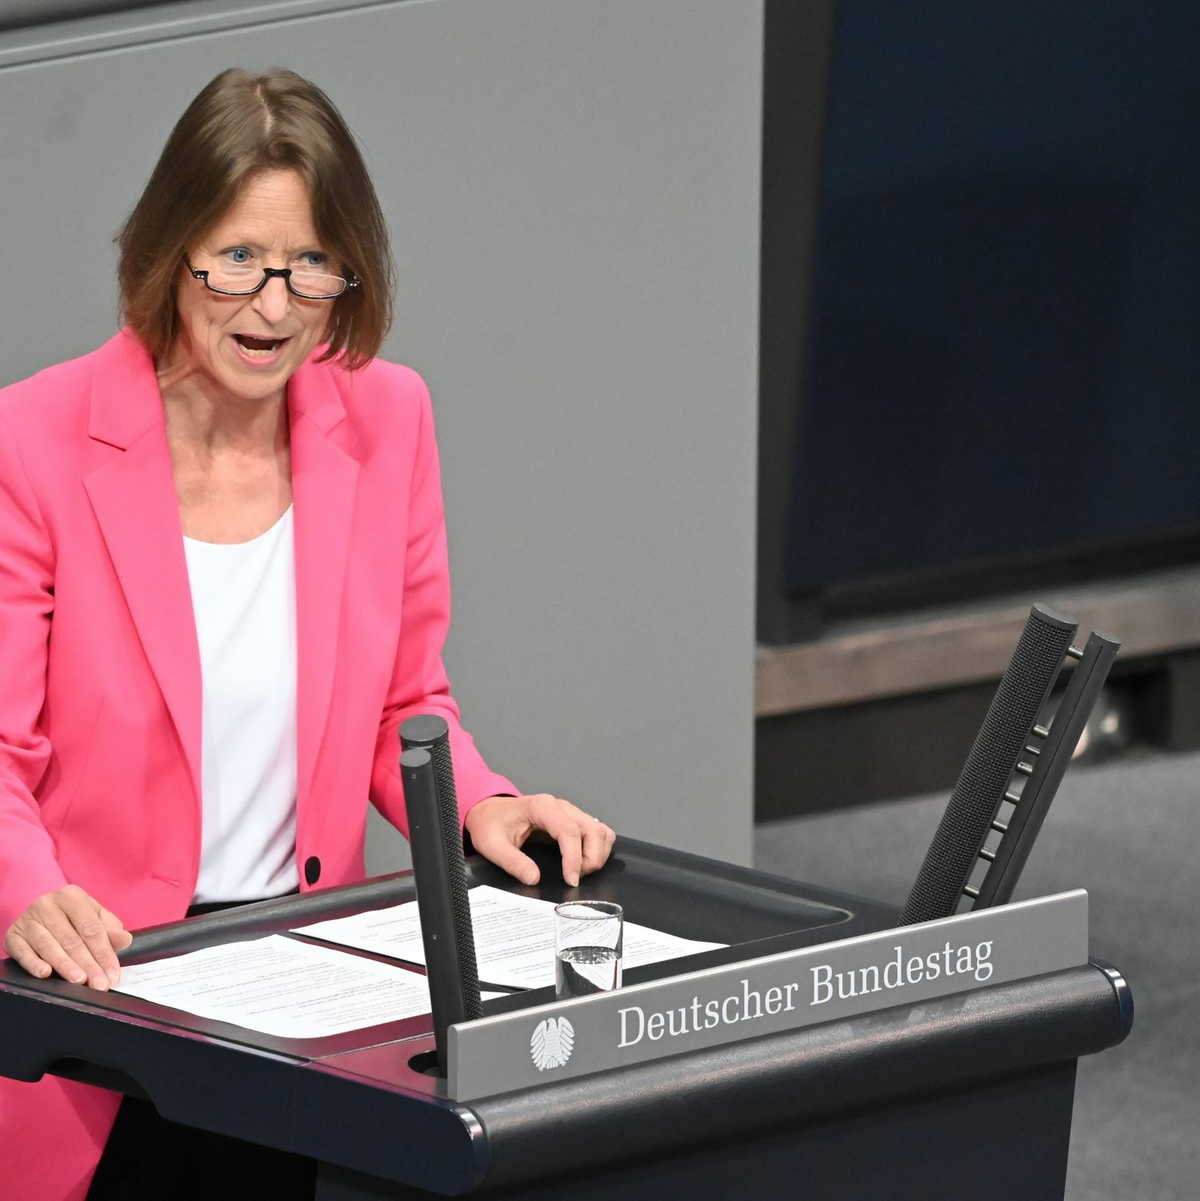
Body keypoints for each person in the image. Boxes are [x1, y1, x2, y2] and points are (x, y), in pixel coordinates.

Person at [0, 67, 615, 1199]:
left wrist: (483, 800)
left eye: (310, 266)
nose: (274, 306)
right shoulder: (34, 441)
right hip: (102, 986)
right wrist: (22, 890)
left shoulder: (389, 418)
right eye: (236, 259)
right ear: (167, 250)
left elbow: (404, 705)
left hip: (300, 987)